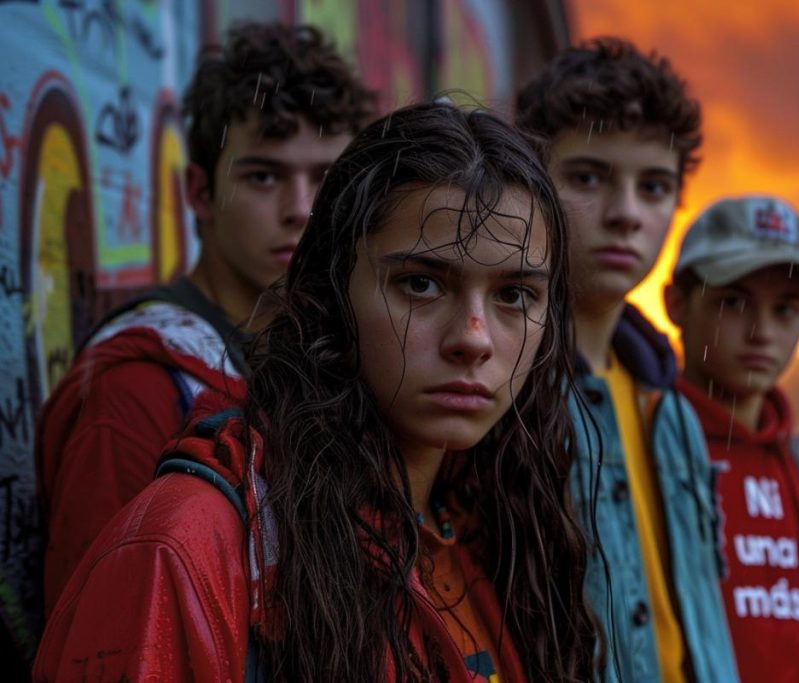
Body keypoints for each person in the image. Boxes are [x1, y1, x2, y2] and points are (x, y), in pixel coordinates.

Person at [33, 101, 598, 682]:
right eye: (421, 284)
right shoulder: (188, 546)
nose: (474, 339)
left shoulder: (505, 528)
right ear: (330, 294)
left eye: (514, 296)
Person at [34, 21, 375, 615]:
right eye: (263, 176)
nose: (301, 210)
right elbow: (102, 632)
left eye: (326, 178)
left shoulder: (339, 358)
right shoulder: (136, 390)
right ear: (198, 192)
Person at [517, 38, 737, 682]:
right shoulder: (503, 391)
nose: (626, 215)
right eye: (588, 177)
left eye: (655, 186)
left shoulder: (670, 404)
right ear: (533, 182)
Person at [663, 195, 799, 681]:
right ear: (677, 304)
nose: (762, 333)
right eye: (733, 302)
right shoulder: (641, 450)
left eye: (787, 309)